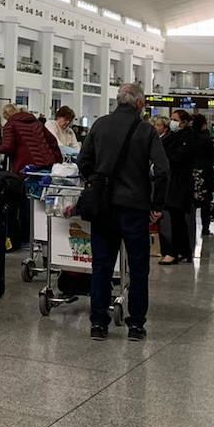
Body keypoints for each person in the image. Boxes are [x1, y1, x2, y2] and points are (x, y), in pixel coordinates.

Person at [76, 83, 170, 341]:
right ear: (139, 104)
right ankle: (136, 325)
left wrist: (97, 180)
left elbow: (83, 161)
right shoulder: (146, 130)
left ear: (119, 100)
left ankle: (98, 323)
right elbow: (162, 170)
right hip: (135, 207)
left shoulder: (100, 125)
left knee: (102, 265)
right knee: (138, 268)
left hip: (104, 206)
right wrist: (157, 205)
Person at [155, 111, 195, 265]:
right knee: (178, 219)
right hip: (175, 182)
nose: (172, 122)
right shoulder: (173, 137)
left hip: (179, 183)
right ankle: (184, 251)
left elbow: (178, 157)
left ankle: (172, 252)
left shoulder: (187, 138)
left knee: (174, 220)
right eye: (171, 119)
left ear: (183, 122)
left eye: (175, 120)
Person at [0, 101, 62, 173]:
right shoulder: (37, 123)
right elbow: (52, 141)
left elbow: (8, 147)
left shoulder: (10, 125)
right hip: (47, 163)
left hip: (26, 165)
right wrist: (58, 162)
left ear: (5, 116)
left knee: (28, 183)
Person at [191, 113, 214, 234]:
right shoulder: (206, 139)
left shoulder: (189, 137)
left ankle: (190, 226)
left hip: (191, 173)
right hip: (205, 174)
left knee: (190, 203)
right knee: (205, 204)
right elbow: (213, 157)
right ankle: (205, 228)